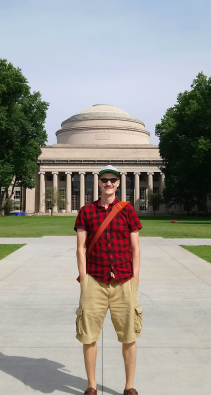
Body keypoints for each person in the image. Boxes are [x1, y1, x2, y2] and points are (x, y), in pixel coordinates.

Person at [75, 165, 142, 395]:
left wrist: (135, 278)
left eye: (113, 180)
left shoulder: (128, 211)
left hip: (124, 281)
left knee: (129, 336)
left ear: (119, 183)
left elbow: (135, 248)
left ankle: (129, 386)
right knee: (89, 335)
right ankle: (91, 385)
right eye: (105, 180)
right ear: (99, 182)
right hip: (94, 281)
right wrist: (84, 278)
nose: (109, 183)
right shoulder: (86, 211)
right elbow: (80, 248)